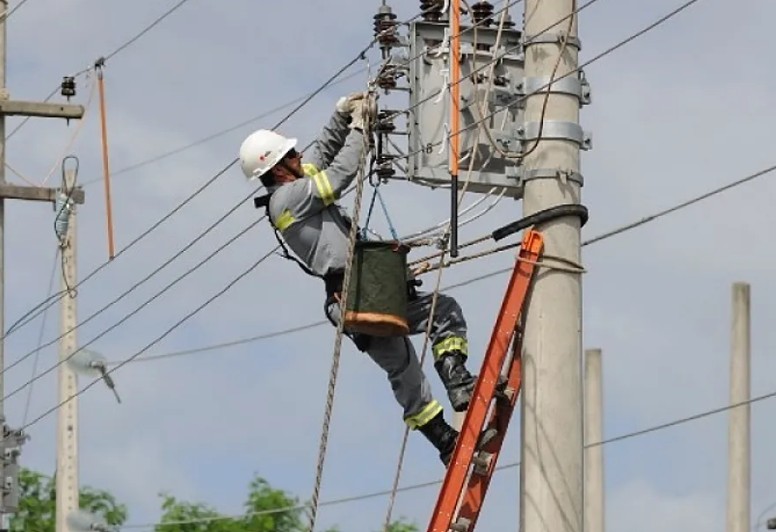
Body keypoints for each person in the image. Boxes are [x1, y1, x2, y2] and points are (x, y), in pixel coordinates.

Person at [238, 92, 487, 465]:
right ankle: (453, 407)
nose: (299, 156)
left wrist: (341, 117)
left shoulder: (291, 189)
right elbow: (337, 175)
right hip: (357, 293)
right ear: (276, 169)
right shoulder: (287, 200)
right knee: (429, 332)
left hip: (358, 293)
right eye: (290, 155)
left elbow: (320, 154)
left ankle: (450, 416)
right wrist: (360, 129)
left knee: (414, 353)